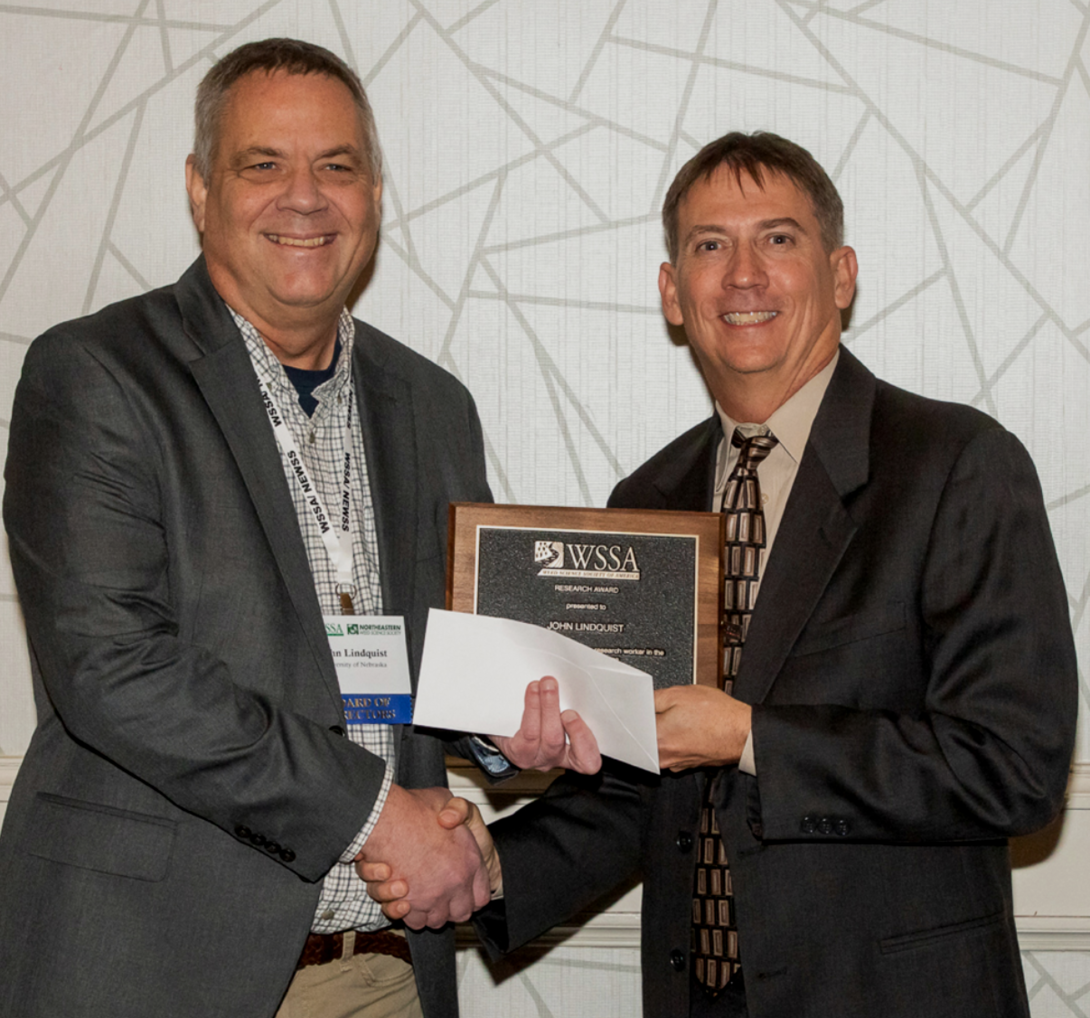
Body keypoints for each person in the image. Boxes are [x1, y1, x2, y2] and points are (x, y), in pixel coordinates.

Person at [366, 132, 1079, 1018]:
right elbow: (639, 787)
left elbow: (1014, 766)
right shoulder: (650, 500)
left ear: (842, 274)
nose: (743, 274)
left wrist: (751, 736)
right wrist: (492, 863)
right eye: (710, 245)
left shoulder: (955, 466)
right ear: (673, 292)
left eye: (778, 238)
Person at [0, 38, 595, 1018]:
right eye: (263, 164)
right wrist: (368, 813)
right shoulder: (96, 376)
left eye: (337, 165)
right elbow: (113, 670)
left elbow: (433, 660)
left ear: (374, 192)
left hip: (383, 972)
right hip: (154, 972)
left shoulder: (431, 402)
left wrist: (502, 729)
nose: (304, 197)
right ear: (200, 190)